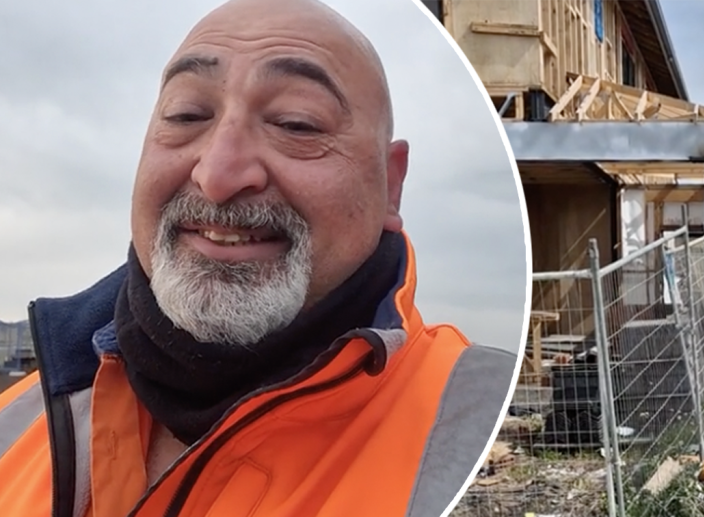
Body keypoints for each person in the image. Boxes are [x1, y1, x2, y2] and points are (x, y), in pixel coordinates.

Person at [0, 0, 518, 515]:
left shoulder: (469, 424)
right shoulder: (19, 420)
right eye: (187, 114)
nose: (219, 175)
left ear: (391, 187)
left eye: (297, 124)